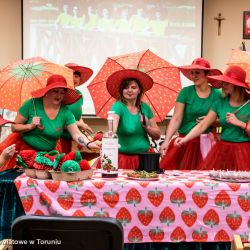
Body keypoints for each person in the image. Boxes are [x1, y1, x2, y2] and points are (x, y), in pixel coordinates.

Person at [0, 74, 100, 172]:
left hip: (49, 154)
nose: (59, 95)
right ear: (47, 91)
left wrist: (89, 144)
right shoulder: (31, 104)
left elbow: (76, 133)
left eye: (62, 92)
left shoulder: (65, 112)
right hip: (25, 152)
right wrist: (30, 126)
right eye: (55, 91)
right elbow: (14, 127)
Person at [175, 65, 250, 170]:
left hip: (244, 152)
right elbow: (203, 125)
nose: (223, 86)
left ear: (237, 85)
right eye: (223, 82)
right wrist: (184, 139)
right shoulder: (219, 102)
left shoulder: (248, 104)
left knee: (243, 185)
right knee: (218, 184)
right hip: (223, 150)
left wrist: (240, 123)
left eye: (227, 83)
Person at [159, 58, 222, 170]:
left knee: (207, 181)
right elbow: (176, 118)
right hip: (185, 142)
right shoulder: (185, 92)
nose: (193, 76)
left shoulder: (218, 94)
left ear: (207, 74)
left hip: (208, 143)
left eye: (197, 73)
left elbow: (223, 123)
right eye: (191, 73)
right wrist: (166, 140)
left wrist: (212, 122)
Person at [106, 69, 161, 169]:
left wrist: (147, 127)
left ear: (139, 90)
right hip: (123, 160)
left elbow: (157, 135)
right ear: (121, 91)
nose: (129, 90)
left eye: (134, 87)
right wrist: (111, 133)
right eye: (126, 88)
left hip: (145, 159)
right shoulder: (118, 106)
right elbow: (112, 130)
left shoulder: (145, 108)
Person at [57, 63, 93, 153]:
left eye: (76, 76)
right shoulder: (59, 95)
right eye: (70, 75)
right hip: (60, 139)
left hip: (75, 139)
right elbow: (57, 120)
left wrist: (83, 124)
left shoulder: (80, 94)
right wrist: (80, 124)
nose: (74, 79)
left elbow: (79, 115)